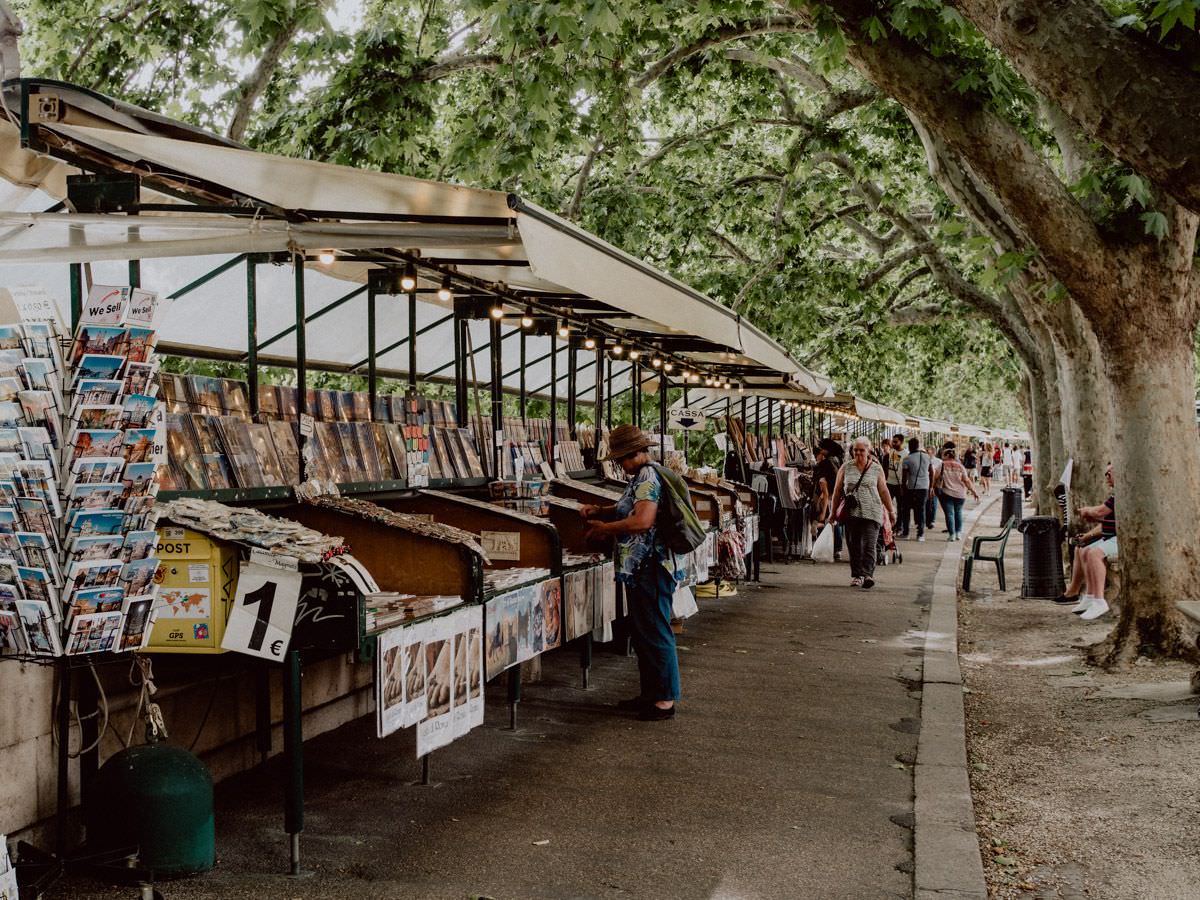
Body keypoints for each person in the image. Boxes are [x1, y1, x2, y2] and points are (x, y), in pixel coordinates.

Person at [581, 425, 683, 721]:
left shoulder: (648, 476)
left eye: (621, 459)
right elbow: (630, 508)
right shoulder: (642, 476)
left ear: (632, 454)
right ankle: (651, 693)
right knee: (645, 631)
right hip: (641, 568)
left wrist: (605, 529)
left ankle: (664, 699)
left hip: (650, 565)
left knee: (655, 629)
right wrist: (601, 511)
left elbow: (642, 520)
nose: (620, 465)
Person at [830, 436, 896, 589]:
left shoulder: (876, 468)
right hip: (852, 513)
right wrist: (832, 513)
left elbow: (883, 490)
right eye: (855, 450)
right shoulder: (846, 467)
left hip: (872, 511)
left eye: (861, 450)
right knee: (854, 546)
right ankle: (857, 576)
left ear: (868, 450)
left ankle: (867, 575)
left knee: (869, 545)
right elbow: (837, 491)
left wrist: (891, 511)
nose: (858, 453)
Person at [1056, 464, 1117, 621]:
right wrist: (1089, 533)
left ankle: (1099, 600)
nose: (1106, 477)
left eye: (1109, 473)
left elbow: (1100, 512)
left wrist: (1087, 511)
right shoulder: (1115, 495)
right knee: (1083, 550)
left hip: (1119, 539)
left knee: (1094, 554)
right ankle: (1090, 596)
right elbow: (1105, 520)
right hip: (1110, 537)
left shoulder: (1119, 496)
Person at [810, 437, 844, 561]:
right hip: (836, 494)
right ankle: (837, 549)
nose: (820, 450)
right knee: (834, 521)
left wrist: (823, 509)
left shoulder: (826, 463)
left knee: (830, 521)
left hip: (830, 495)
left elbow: (824, 488)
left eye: (821, 448)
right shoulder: (837, 459)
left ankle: (835, 549)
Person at [934, 448, 978, 541]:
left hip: (946, 493)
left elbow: (935, 477)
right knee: (958, 513)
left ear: (946, 456)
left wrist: (932, 488)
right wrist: (974, 491)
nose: (942, 456)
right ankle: (958, 533)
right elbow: (966, 480)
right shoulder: (960, 466)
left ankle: (952, 535)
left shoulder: (942, 465)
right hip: (960, 494)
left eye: (943, 455)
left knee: (949, 514)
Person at [900, 437, 932, 541]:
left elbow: (904, 476)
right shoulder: (927, 457)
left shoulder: (907, 459)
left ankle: (906, 533)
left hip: (911, 487)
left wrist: (903, 487)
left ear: (910, 446)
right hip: (924, 487)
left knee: (906, 510)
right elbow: (932, 471)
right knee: (921, 510)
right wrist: (931, 486)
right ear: (918, 445)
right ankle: (920, 534)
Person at [925, 444, 941, 528]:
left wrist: (935, 486)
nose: (927, 453)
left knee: (933, 503)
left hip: (934, 485)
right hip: (925, 484)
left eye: (928, 451)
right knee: (926, 503)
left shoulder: (938, 461)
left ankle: (932, 520)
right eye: (926, 451)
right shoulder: (924, 460)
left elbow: (940, 475)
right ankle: (926, 520)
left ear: (934, 452)